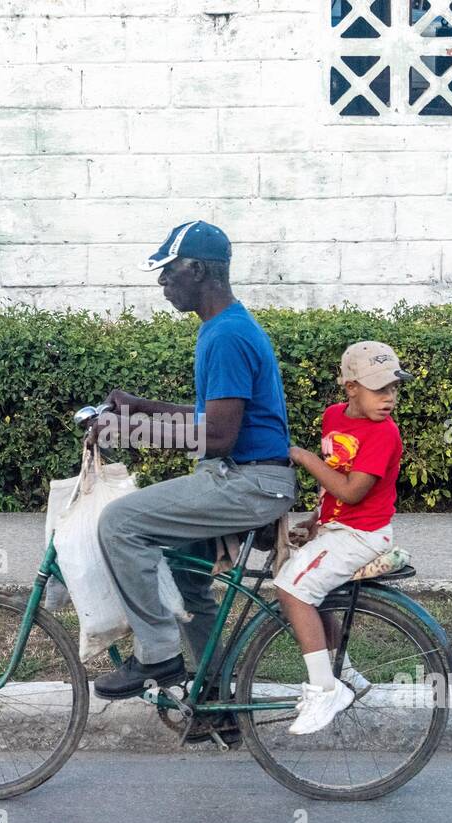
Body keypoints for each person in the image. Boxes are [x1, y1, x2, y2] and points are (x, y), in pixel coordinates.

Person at [92, 222, 297, 743]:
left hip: (248, 482)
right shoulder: (223, 327)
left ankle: (156, 655)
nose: (162, 283)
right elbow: (216, 415)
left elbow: (222, 436)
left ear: (197, 269)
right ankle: (217, 704)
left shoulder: (226, 335)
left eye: (167, 271)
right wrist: (143, 408)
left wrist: (131, 429)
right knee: (187, 581)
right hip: (242, 476)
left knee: (119, 522)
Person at [276, 341, 413, 734]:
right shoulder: (333, 417)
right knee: (315, 595)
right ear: (351, 387)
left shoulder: (384, 433)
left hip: (362, 535)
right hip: (341, 529)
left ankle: (324, 689)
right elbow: (336, 482)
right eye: (380, 389)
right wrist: (317, 519)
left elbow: (353, 491)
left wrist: (304, 458)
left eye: (394, 389)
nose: (389, 398)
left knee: (292, 590)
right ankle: (347, 675)